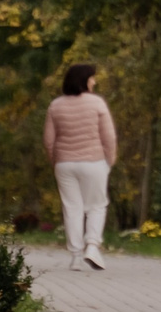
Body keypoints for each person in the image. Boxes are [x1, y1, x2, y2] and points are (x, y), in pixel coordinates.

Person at [44, 62, 119, 271]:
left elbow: (49, 140)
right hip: (93, 162)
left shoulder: (55, 105)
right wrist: (109, 160)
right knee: (96, 205)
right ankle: (92, 246)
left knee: (72, 208)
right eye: (92, 78)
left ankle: (75, 256)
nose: (94, 81)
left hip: (64, 164)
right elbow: (109, 136)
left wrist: (55, 160)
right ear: (84, 80)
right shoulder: (96, 103)